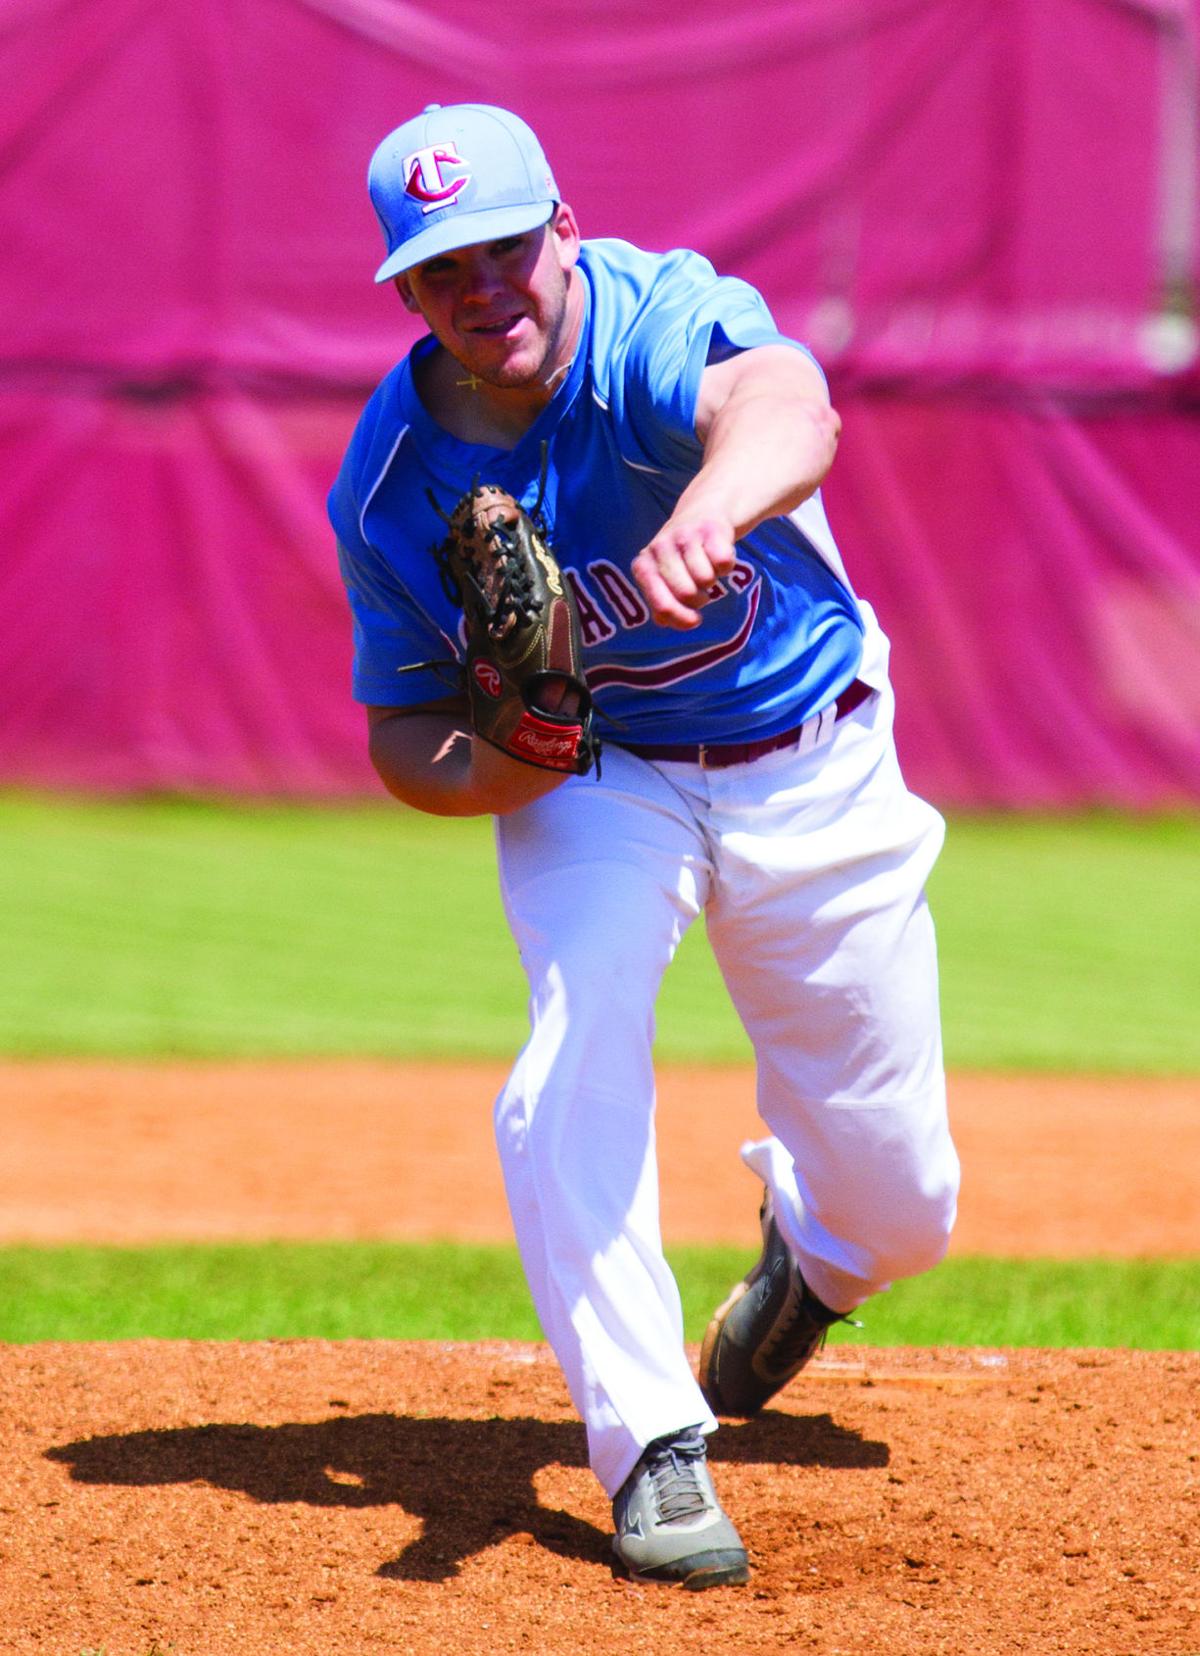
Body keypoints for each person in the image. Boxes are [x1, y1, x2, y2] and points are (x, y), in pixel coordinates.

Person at [328, 102, 960, 1591]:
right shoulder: (392, 480)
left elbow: (791, 401)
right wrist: (503, 758)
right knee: (572, 1046)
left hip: (812, 751)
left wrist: (711, 506)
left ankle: (817, 1255)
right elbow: (401, 737)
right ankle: (651, 1449)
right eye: (440, 270)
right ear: (407, 296)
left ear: (561, 227)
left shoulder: (650, 317)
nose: (482, 287)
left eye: (501, 248)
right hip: (603, 779)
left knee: (907, 1203)